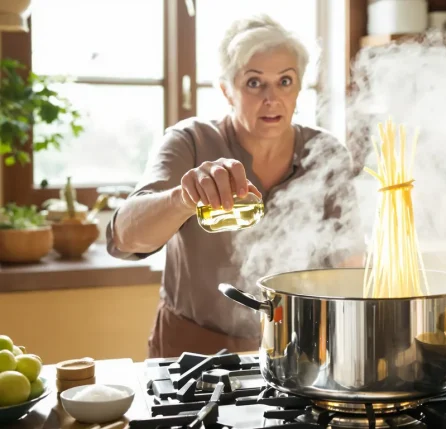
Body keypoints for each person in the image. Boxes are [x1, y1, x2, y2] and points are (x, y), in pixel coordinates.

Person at [105, 14, 362, 359]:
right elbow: (123, 238)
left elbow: (349, 263)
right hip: (192, 353)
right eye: (254, 83)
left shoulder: (325, 153)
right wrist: (185, 197)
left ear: (299, 87)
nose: (272, 98)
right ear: (227, 90)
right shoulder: (190, 141)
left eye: (285, 81)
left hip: (301, 350)